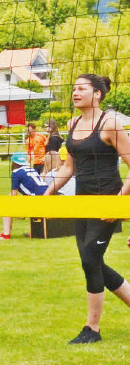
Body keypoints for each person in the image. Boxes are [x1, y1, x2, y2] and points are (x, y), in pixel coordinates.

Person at [45, 74, 130, 345]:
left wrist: (118, 202)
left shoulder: (112, 123)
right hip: (82, 202)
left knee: (89, 259)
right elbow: (69, 167)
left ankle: (92, 329)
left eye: (81, 88)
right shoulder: (73, 123)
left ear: (97, 94)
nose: (75, 92)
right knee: (93, 262)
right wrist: (47, 193)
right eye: (73, 89)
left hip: (108, 202)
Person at [0, 152, 74, 240]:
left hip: (38, 200)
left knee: (5, 207)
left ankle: (6, 234)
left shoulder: (16, 172)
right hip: (51, 196)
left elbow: (14, 194)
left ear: (13, 162)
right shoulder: (31, 169)